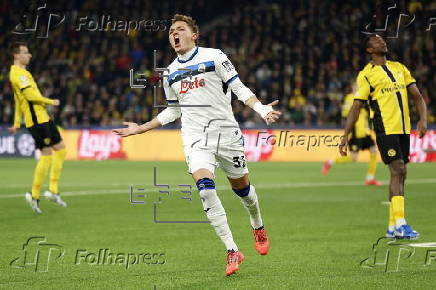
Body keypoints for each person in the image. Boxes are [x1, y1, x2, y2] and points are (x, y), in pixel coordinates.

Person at [113, 14, 281, 275]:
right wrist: (141, 128)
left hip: (226, 135)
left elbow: (238, 87)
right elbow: (172, 111)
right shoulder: (169, 73)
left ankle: (257, 224)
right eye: (171, 32)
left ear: (194, 35)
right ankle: (232, 249)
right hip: (195, 139)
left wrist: (260, 108)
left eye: (180, 29)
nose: (174, 34)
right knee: (204, 189)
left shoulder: (214, 56)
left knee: (243, 191)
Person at [339, 35, 427, 239]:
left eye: (383, 40)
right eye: (377, 41)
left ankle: (392, 225)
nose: (383, 42)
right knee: (399, 169)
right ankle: (401, 224)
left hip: (403, 129)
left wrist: (423, 120)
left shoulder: (399, 67)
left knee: (400, 174)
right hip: (384, 129)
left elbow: (417, 96)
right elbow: (356, 107)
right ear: (370, 50)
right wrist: (345, 134)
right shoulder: (366, 75)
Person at [9, 42, 68, 214]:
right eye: (26, 52)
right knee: (47, 155)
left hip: (44, 118)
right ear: (16, 55)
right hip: (36, 121)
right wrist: (51, 102)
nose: (30, 55)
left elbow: (17, 101)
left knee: (61, 150)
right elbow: (28, 96)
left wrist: (15, 123)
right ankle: (34, 195)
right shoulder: (17, 74)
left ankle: (52, 191)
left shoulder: (24, 73)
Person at [323, 82, 381, 186]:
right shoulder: (350, 98)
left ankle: (370, 178)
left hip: (365, 132)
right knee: (353, 158)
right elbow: (345, 113)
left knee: (374, 151)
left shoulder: (365, 99)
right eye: (357, 87)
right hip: (355, 133)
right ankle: (329, 162)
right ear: (353, 88)